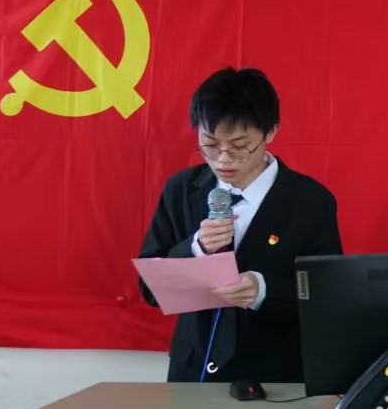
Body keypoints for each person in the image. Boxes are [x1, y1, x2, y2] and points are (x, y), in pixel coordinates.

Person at [138, 67, 342, 384]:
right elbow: (150, 290)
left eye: (239, 146)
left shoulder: (310, 201)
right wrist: (196, 248)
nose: (223, 159)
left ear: (270, 133)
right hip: (193, 374)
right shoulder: (181, 190)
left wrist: (263, 290)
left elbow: (327, 295)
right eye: (210, 145)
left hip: (275, 378)